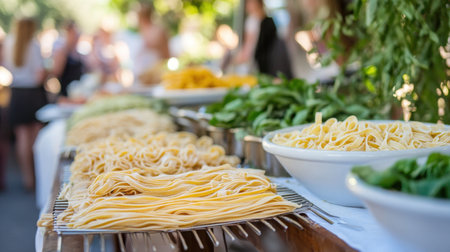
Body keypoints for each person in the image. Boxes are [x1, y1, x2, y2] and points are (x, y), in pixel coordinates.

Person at [2, 18, 47, 191]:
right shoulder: (33, 44)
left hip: (17, 92)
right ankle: (37, 176)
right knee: (35, 138)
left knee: (22, 138)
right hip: (33, 93)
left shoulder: (10, 42)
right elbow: (39, 74)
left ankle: (27, 178)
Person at [233, 0, 292, 78]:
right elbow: (248, 45)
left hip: (267, 63)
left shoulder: (266, 22)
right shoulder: (252, 21)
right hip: (258, 61)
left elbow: (251, 47)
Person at [133, 3, 170, 77]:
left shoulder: (158, 31)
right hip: (141, 73)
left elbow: (166, 53)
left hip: (156, 72)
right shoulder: (140, 32)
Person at [52, 21, 85, 97]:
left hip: (79, 93)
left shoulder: (78, 52)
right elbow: (56, 72)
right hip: (66, 94)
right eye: (74, 34)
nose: (77, 36)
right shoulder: (62, 51)